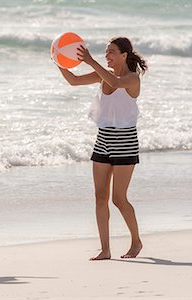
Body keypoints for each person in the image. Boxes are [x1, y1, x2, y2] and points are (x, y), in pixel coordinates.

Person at [58, 37, 147, 260]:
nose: (107, 56)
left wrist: (90, 60)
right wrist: (58, 58)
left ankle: (136, 241)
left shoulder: (132, 78)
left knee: (118, 198)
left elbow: (116, 84)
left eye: (111, 52)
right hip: (103, 138)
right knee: (100, 197)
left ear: (124, 55)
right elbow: (73, 80)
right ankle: (105, 249)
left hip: (125, 140)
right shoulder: (102, 75)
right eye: (106, 52)